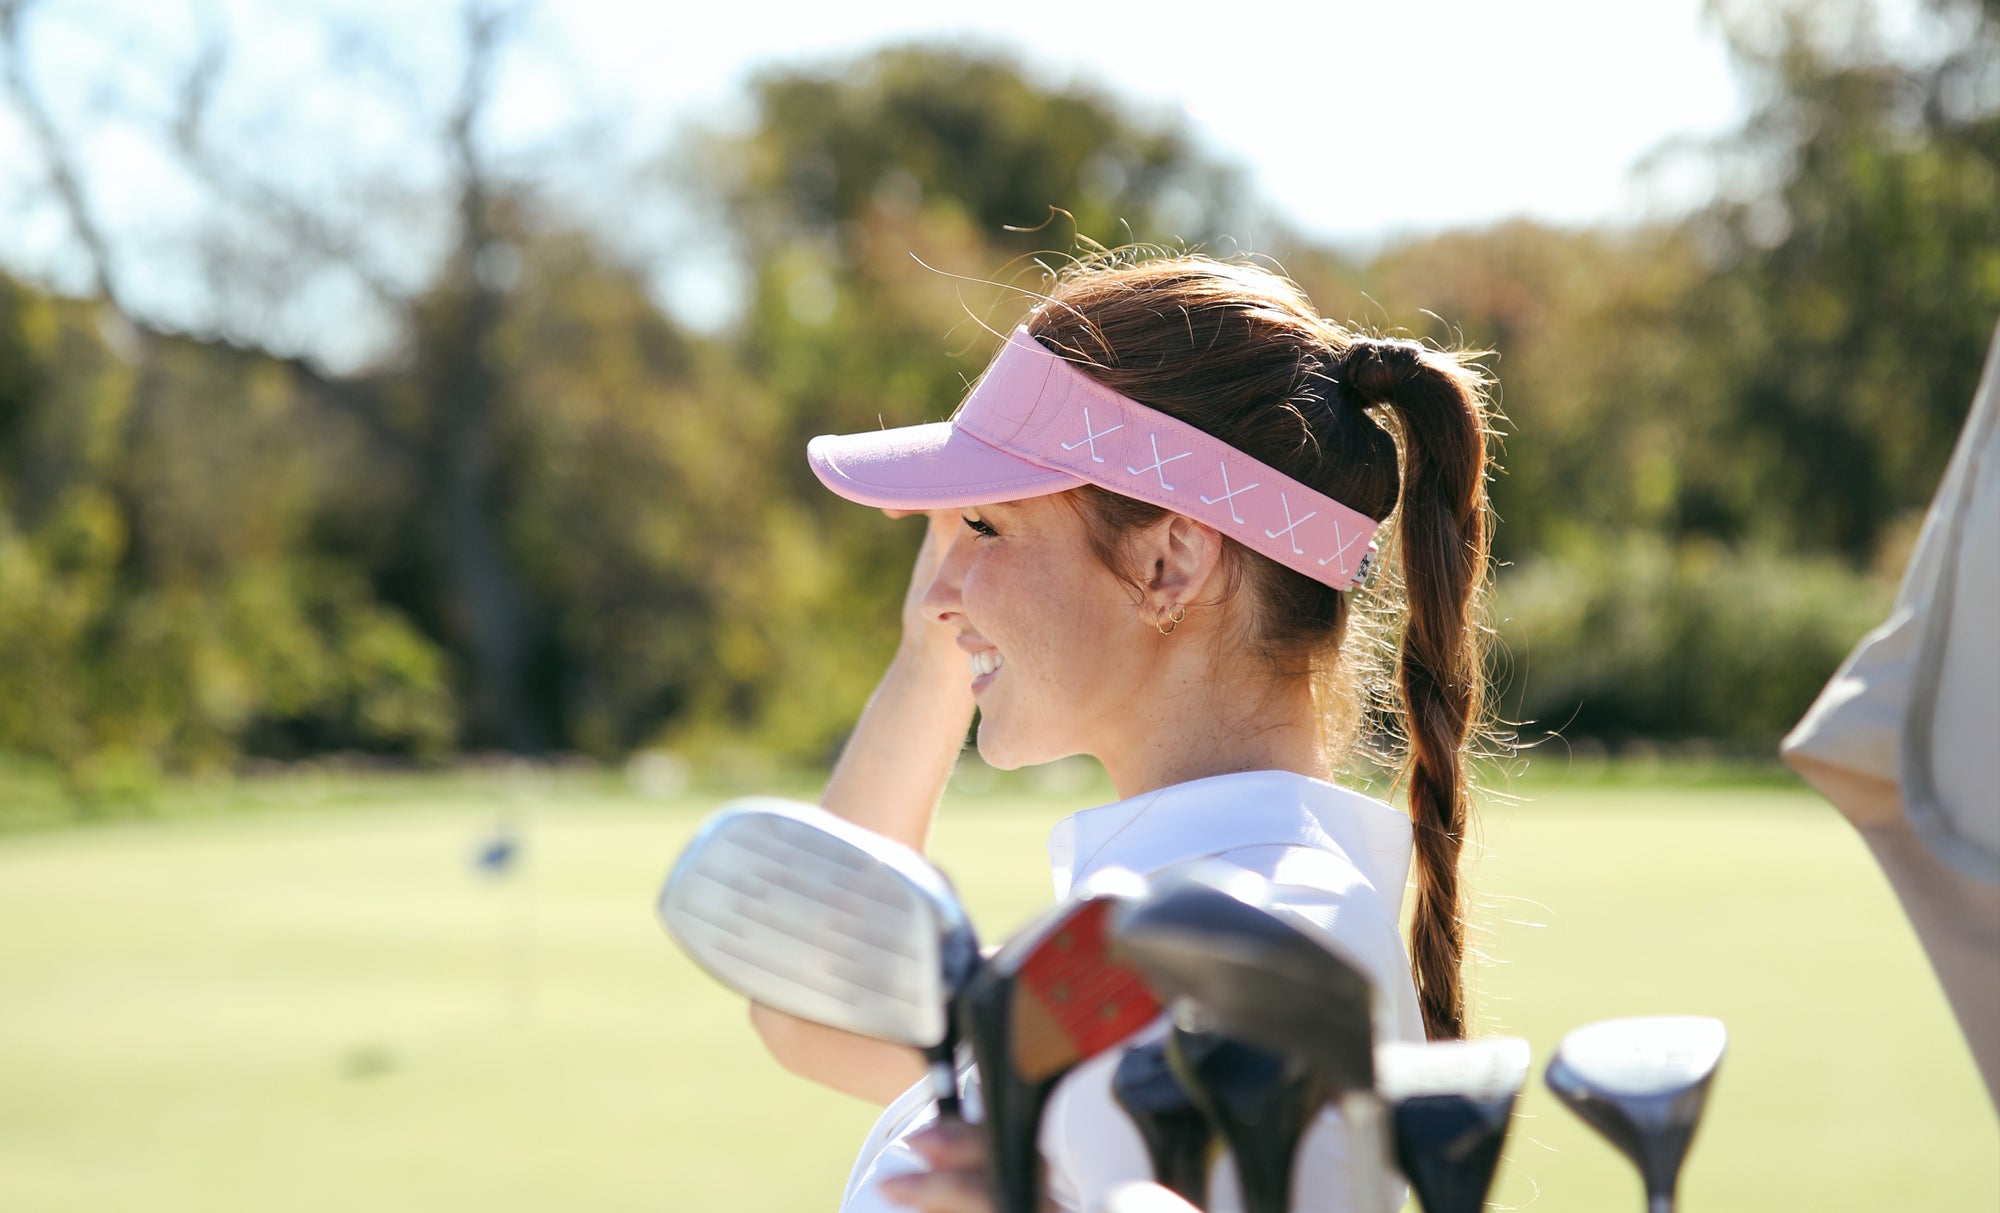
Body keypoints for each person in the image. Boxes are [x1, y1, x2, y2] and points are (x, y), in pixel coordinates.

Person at [752, 253, 1496, 1213]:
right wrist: (937, 641)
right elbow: (816, 1012)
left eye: (983, 525)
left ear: (1168, 559)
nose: (939, 587)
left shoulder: (1262, 939)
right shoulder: (1210, 906)